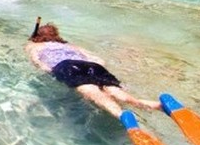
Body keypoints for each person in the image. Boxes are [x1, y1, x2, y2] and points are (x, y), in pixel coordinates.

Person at [25, 17, 162, 119]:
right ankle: (156, 105)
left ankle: (121, 115)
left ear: (37, 37)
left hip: (66, 66)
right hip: (92, 65)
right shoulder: (71, 46)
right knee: (116, 92)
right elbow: (97, 59)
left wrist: (48, 69)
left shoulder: (35, 46)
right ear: (56, 35)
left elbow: (36, 60)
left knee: (93, 92)